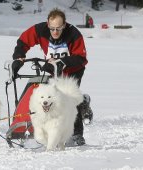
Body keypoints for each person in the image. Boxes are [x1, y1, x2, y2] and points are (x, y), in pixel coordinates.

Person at [11, 8, 93, 146]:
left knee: (69, 99)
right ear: (48, 25)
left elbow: (81, 58)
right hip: (53, 69)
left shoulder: (74, 34)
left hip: (73, 70)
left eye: (59, 29)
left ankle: (77, 133)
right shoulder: (39, 30)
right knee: (49, 100)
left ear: (64, 25)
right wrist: (19, 58)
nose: (55, 32)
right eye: (52, 28)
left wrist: (61, 62)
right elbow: (23, 41)